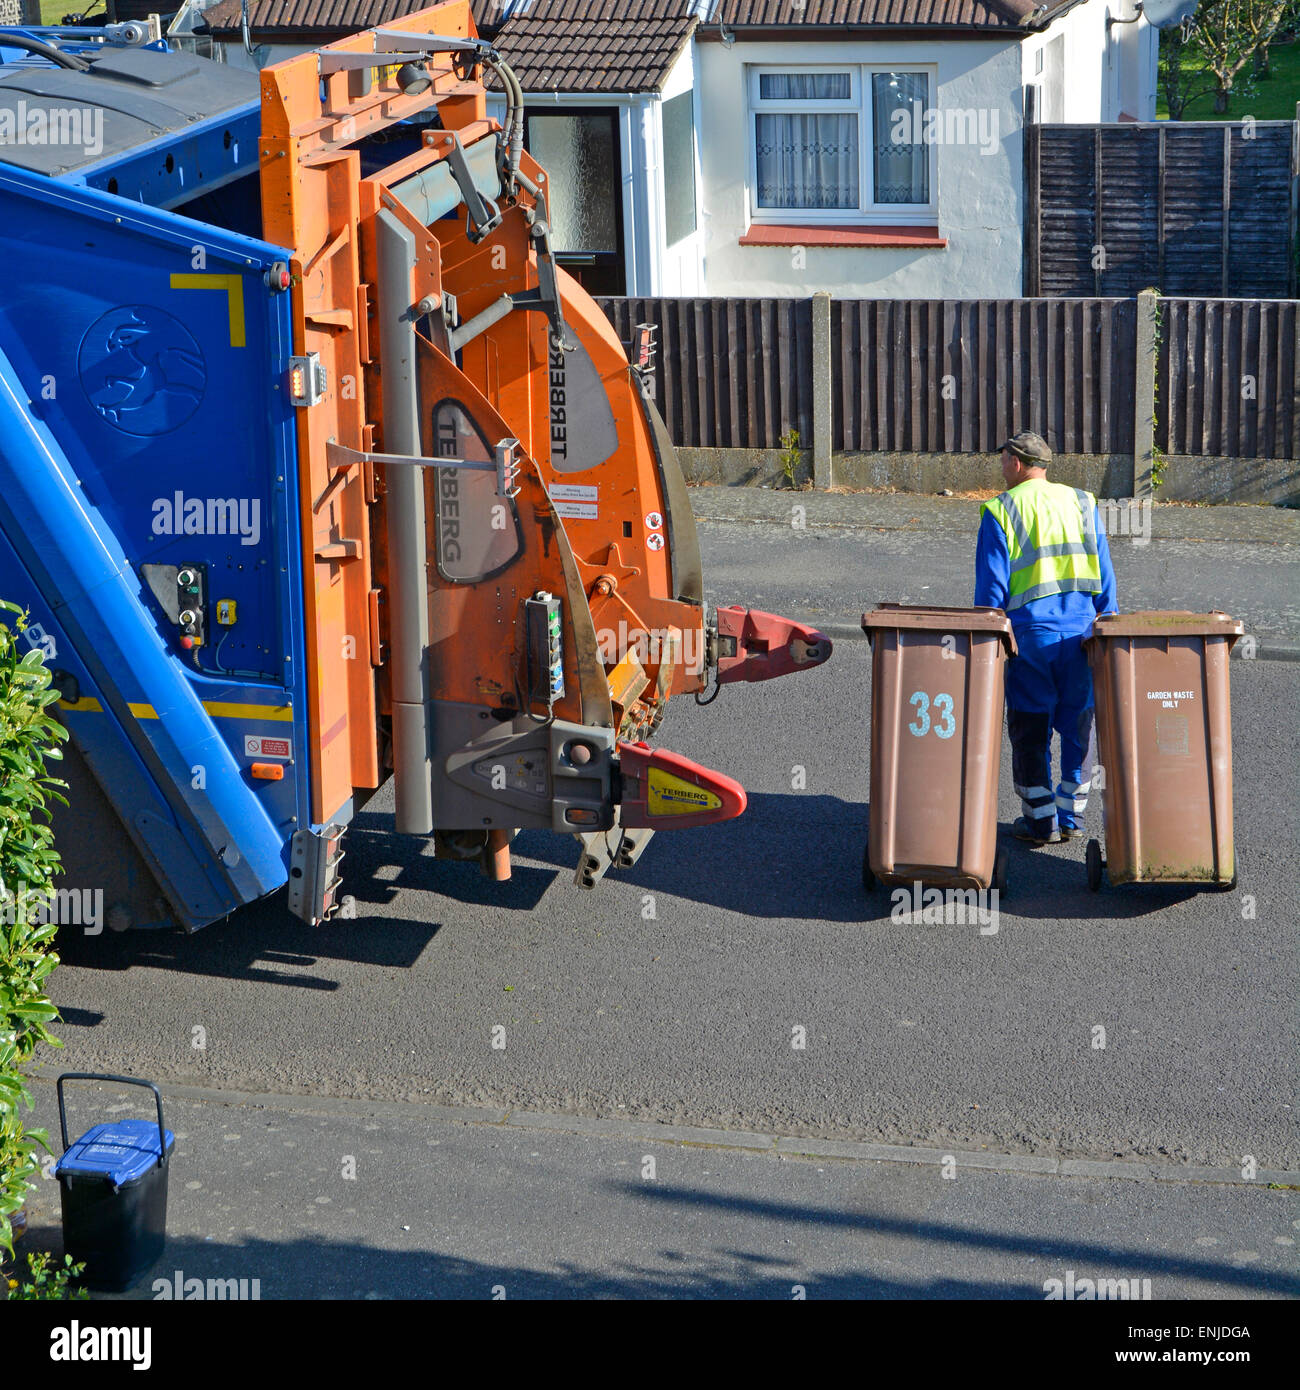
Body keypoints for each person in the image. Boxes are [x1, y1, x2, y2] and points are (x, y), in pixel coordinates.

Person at [975, 431, 1118, 845]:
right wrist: (1107, 625)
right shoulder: (1083, 502)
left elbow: (991, 592)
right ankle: (1070, 816)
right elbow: (1105, 573)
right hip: (1082, 636)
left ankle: (1040, 822)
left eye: (1002, 459)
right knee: (1077, 726)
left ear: (1016, 463)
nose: (1001, 466)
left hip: (1030, 638)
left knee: (1030, 727)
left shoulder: (1000, 510)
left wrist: (987, 637)